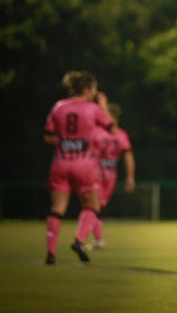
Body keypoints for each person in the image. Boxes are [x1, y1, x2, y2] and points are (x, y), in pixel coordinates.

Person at [43, 70, 114, 264]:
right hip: (84, 164)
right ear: (87, 89)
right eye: (94, 89)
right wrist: (103, 105)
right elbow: (111, 128)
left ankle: (50, 254)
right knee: (92, 206)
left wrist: (67, 141)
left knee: (57, 209)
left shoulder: (59, 106)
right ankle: (78, 240)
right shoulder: (93, 108)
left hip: (60, 162)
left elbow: (48, 136)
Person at [87, 102, 136, 250]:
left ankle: (95, 239)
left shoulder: (118, 134)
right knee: (93, 205)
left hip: (109, 174)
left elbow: (128, 155)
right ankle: (94, 239)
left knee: (96, 206)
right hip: (97, 172)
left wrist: (130, 177)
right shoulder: (98, 132)